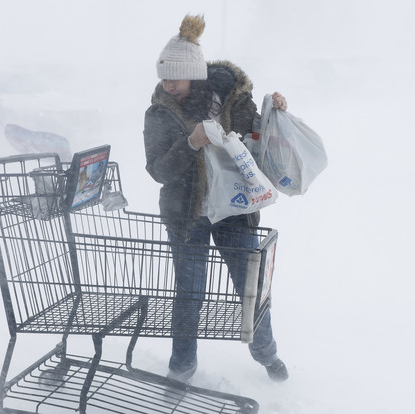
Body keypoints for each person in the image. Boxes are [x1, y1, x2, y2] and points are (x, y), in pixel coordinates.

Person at [143, 14, 290, 384]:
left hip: (236, 212)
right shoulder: (159, 113)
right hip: (186, 215)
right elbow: (159, 170)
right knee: (190, 293)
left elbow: (260, 135)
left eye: (173, 78)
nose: (167, 86)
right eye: (163, 78)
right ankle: (181, 369)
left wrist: (277, 110)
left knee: (250, 287)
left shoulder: (234, 100)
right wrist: (190, 142)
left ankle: (267, 355)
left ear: (193, 74)